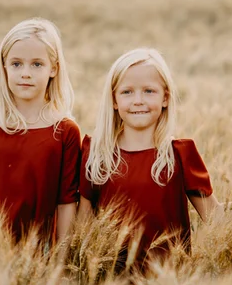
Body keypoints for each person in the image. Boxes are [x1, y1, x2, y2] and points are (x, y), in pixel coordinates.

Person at [78, 48, 220, 271]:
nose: (138, 101)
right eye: (127, 92)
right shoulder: (96, 154)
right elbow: (82, 227)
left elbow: (214, 216)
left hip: (168, 280)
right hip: (110, 280)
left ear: (165, 98)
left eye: (149, 91)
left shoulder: (180, 155)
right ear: (114, 100)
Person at [0, 18, 80, 244]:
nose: (25, 73)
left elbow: (67, 203)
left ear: (54, 68)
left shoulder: (65, 131)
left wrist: (60, 259)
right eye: (16, 64)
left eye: (37, 64)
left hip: (43, 252)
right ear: (4, 67)